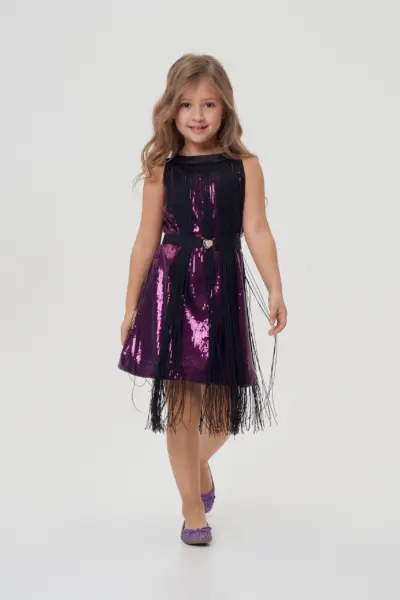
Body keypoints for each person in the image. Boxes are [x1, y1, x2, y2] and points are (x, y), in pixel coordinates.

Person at [118, 53, 287, 546]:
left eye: (208, 104)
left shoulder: (245, 167)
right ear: (170, 109)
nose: (197, 115)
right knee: (181, 408)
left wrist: (275, 286)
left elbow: (257, 228)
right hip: (172, 290)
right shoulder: (162, 170)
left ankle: (197, 469)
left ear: (225, 108)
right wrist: (130, 306)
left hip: (221, 288)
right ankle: (192, 510)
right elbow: (144, 241)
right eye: (187, 104)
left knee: (222, 414)